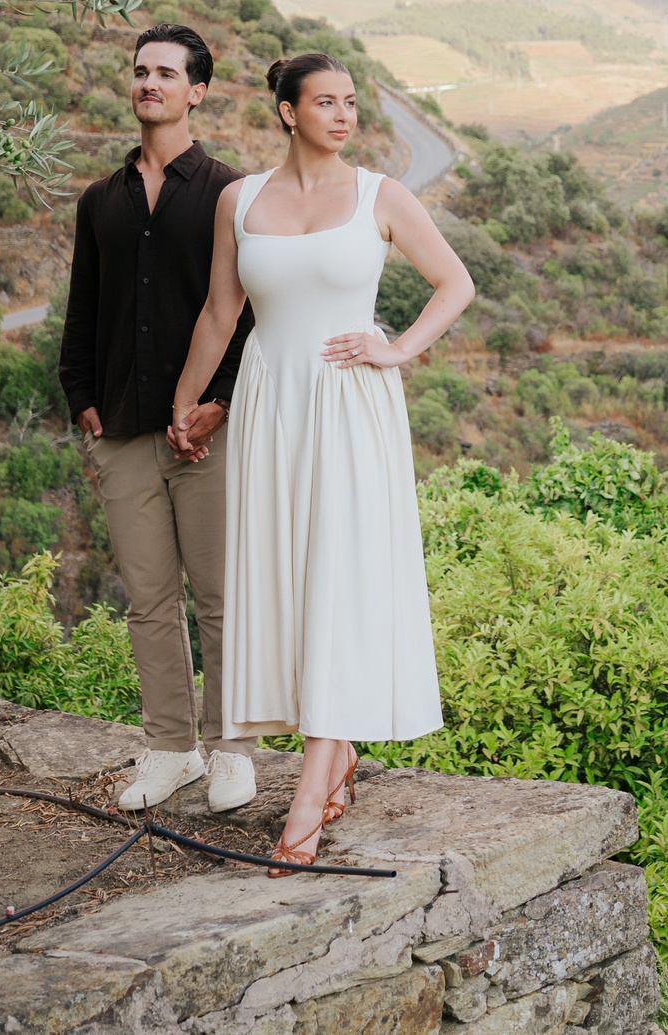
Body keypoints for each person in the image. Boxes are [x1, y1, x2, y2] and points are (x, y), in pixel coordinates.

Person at [166, 52, 474, 872]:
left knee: (337, 582)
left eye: (350, 103)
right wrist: (184, 403)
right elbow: (221, 311)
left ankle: (308, 795)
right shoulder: (239, 200)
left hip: (350, 407)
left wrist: (396, 347)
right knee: (288, 581)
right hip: (271, 406)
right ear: (287, 111)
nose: (343, 116)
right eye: (326, 102)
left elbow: (455, 283)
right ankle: (336, 755)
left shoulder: (382, 195)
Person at [57, 22, 261, 814]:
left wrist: (221, 403)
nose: (150, 82)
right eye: (141, 70)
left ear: (197, 91)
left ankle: (233, 750)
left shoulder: (229, 193)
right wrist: (81, 395)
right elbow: (84, 307)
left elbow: (250, 314)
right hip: (122, 430)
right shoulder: (99, 201)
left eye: (167, 73)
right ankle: (172, 747)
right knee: (148, 600)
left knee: (221, 597)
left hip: (210, 430)